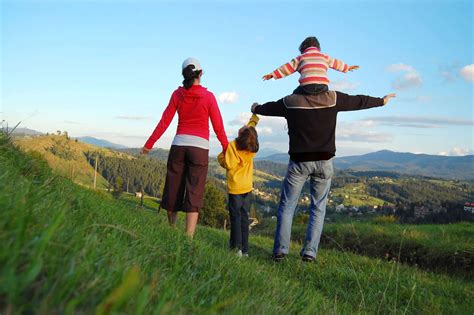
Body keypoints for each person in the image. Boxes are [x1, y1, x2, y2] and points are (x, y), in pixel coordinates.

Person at [251, 90, 396, 261]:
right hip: (324, 161)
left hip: (299, 162)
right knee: (318, 209)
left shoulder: (291, 101)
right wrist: (381, 100)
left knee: (287, 206)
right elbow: (358, 101)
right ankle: (310, 253)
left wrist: (256, 108)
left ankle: (280, 251)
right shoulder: (333, 98)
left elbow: (270, 108)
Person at [142, 57, 228, 238]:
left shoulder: (177, 95)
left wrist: (149, 144)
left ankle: (172, 231)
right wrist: (227, 148)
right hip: (199, 149)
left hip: (179, 145)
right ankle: (188, 237)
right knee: (194, 191)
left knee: (173, 188)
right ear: (201, 73)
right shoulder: (209, 97)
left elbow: (164, 121)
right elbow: (218, 126)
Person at [218, 114, 260, 257]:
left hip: (235, 189)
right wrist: (254, 118)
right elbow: (251, 129)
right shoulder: (251, 146)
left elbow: (228, 164)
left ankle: (236, 248)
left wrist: (221, 157)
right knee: (244, 217)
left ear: (241, 135)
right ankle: (245, 249)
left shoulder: (233, 146)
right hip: (247, 188)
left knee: (235, 218)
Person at [262, 36, 359, 96]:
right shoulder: (324, 56)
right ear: (318, 47)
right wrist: (347, 67)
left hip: (306, 87)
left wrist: (273, 75)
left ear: (303, 47)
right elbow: (336, 63)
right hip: (323, 87)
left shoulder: (301, 57)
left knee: (294, 95)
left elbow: (287, 68)